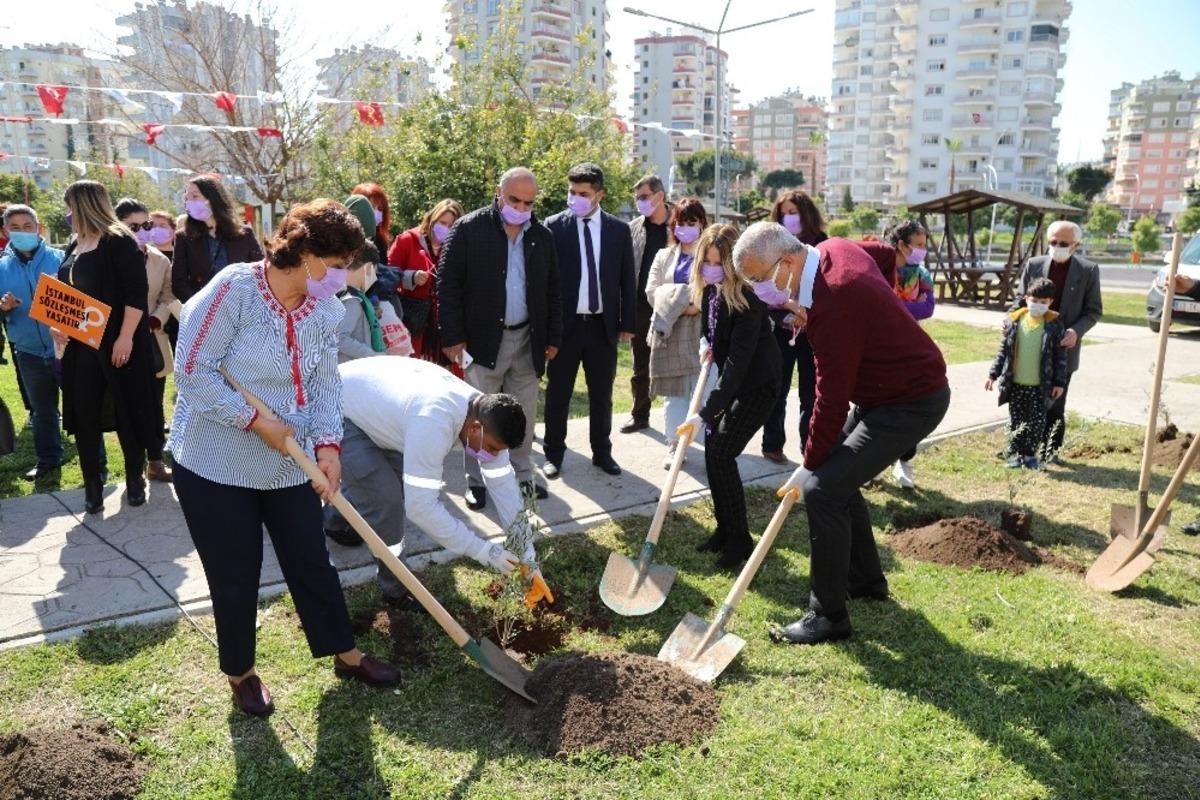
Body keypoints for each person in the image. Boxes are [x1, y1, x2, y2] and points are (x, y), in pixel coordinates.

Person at [170, 198, 399, 717]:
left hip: (289, 462)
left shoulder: (325, 308)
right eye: (336, 265)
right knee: (235, 572)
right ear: (305, 255)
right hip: (215, 461)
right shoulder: (235, 290)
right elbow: (193, 370)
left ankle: (345, 654)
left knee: (311, 560)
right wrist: (253, 420)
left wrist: (328, 445)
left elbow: (325, 383)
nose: (341, 276)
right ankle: (242, 673)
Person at [733, 223, 949, 646]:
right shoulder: (833, 248)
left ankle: (827, 616)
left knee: (823, 489)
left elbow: (829, 398)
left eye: (759, 279)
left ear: (788, 262)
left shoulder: (836, 303)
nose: (760, 291)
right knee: (836, 480)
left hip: (911, 400)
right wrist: (880, 313)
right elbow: (885, 255)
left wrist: (809, 464)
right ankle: (865, 579)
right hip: (880, 394)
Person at [326, 357, 544, 605]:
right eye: (492, 449)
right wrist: (482, 550)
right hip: (337, 408)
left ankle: (334, 520)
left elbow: (505, 489)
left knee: (387, 484)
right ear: (475, 429)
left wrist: (528, 556)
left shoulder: (488, 419)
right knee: (386, 501)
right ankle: (396, 588)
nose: (493, 456)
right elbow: (421, 508)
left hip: (377, 410)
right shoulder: (434, 421)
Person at [438, 166, 563, 508]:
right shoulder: (469, 229)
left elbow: (553, 289)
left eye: (528, 203)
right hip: (482, 341)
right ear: (498, 192)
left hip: (528, 339)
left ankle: (522, 475)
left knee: (523, 413)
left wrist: (553, 336)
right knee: (479, 413)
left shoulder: (542, 236)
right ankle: (476, 481)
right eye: (514, 200)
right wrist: (453, 337)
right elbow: (447, 285)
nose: (521, 209)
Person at [677, 224, 781, 568]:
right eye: (706, 262)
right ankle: (724, 529)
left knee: (722, 452)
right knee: (713, 452)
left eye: (718, 263)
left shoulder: (748, 300)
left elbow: (738, 365)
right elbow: (710, 330)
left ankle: (740, 542)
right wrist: (706, 343)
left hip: (758, 386)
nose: (711, 269)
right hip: (735, 384)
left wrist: (706, 413)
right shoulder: (710, 291)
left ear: (733, 263)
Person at [53, 181, 160, 514]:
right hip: (80, 347)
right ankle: (93, 487)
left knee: (127, 411)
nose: (67, 214)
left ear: (83, 205)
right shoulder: (74, 244)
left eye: (70, 207)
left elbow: (135, 294)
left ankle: (134, 479)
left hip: (117, 343)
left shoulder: (119, 241)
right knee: (85, 414)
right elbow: (68, 295)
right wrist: (59, 326)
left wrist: (125, 337)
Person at [542, 163, 636, 479]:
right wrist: (549, 331)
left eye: (583, 193)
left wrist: (627, 323)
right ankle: (553, 453)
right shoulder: (554, 227)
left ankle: (602, 452)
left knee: (601, 395)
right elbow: (546, 282)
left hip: (601, 327)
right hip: (565, 328)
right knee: (558, 393)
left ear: (599, 195)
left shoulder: (618, 230)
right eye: (572, 192)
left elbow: (627, 280)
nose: (575, 198)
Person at [1008, 220, 1101, 462]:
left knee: (1054, 404)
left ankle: (1051, 451)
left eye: (1063, 243)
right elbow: (1019, 300)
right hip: (1030, 346)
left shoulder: (1088, 270)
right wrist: (1010, 320)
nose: (1057, 247)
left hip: (1062, 349)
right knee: (1023, 401)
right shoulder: (1034, 264)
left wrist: (1076, 331)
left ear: (1076, 245)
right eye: (1053, 242)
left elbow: (1093, 311)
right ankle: (1020, 449)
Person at [644, 197, 714, 468]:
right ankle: (675, 445)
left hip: (703, 331)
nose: (685, 228)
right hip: (670, 331)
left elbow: (713, 291)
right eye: (680, 223)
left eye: (691, 222)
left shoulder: (711, 255)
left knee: (704, 390)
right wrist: (686, 303)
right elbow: (652, 291)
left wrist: (689, 303)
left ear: (702, 224)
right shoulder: (664, 256)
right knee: (675, 394)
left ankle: (709, 444)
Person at [760, 189, 828, 465]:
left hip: (813, 331)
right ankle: (772, 444)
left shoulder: (823, 243)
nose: (788, 218)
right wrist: (788, 308)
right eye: (783, 214)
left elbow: (829, 285)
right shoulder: (773, 245)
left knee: (811, 394)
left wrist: (808, 313)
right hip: (781, 328)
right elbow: (764, 285)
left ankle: (809, 447)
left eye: (793, 212)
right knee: (776, 388)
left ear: (806, 213)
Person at [0, 204, 65, 480]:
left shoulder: (62, 259)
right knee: (42, 411)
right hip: (28, 352)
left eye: (28, 226)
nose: (22, 232)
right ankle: (48, 459)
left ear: (40, 229)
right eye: (15, 228)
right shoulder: (1, 268)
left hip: (66, 349)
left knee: (82, 406)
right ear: (5, 231)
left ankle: (96, 460)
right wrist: (2, 307)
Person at [114, 198, 175, 484]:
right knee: (126, 406)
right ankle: (133, 469)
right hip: (118, 342)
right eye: (133, 226)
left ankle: (155, 461)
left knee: (153, 403)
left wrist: (156, 320)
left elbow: (167, 296)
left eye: (146, 225)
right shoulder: (108, 257)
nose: (142, 231)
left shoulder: (160, 260)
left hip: (151, 340)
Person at [985, 277, 1068, 470]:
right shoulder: (1015, 321)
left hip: (1040, 386)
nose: (1038, 305)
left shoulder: (1054, 324)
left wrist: (1059, 382)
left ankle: (1030, 456)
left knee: (1037, 422)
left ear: (1050, 302)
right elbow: (1003, 351)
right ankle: (1016, 454)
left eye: (1043, 302)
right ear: (1026, 299)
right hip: (1016, 384)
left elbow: (1060, 356)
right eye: (1034, 300)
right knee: (1017, 420)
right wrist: (992, 374)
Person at [879, 219, 935, 489]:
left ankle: (903, 460)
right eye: (919, 244)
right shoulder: (882, 270)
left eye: (925, 244)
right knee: (877, 401)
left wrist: (898, 305)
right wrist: (908, 305)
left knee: (909, 400)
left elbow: (928, 308)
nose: (923, 250)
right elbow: (882, 306)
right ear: (902, 245)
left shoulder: (922, 274)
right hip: (881, 345)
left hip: (910, 345)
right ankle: (871, 460)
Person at [388, 199, 465, 365]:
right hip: (412, 322)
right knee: (413, 369)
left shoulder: (458, 248)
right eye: (442, 223)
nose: (446, 228)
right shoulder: (407, 240)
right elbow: (387, 276)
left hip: (445, 325)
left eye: (452, 225)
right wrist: (411, 277)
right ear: (432, 220)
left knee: (448, 371)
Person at [621, 174, 671, 434]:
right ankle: (640, 414)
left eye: (644, 197)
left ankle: (683, 419)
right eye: (637, 198)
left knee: (679, 362)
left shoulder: (681, 223)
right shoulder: (633, 229)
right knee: (640, 364)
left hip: (675, 306)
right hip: (641, 306)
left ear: (659, 196)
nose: (639, 202)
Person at [171, 174, 264, 303]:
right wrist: (203, 306)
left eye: (195, 196)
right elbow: (178, 283)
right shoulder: (184, 237)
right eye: (186, 198)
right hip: (203, 310)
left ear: (213, 198)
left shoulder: (244, 234)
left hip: (242, 306)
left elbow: (260, 273)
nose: (189, 202)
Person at [334, 241, 411, 365]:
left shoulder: (342, 293)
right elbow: (340, 338)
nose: (374, 278)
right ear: (369, 268)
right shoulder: (352, 300)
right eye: (375, 272)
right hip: (352, 368)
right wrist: (372, 355)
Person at [350, 182, 393, 256]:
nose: (376, 213)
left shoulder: (380, 241)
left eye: (380, 209)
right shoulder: (343, 239)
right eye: (371, 207)